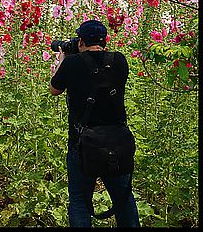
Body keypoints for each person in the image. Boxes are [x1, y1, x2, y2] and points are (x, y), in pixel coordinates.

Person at [49, 19, 140, 227]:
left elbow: (54, 89)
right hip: (117, 142)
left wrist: (63, 60)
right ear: (105, 40)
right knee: (124, 200)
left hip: (83, 144)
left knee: (80, 201)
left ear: (81, 41)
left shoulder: (72, 64)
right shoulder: (119, 61)